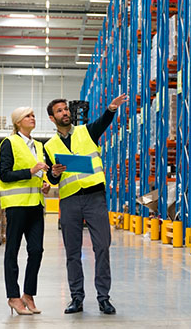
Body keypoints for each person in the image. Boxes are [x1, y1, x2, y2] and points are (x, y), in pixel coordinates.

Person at [44, 94, 127, 315]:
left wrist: (111, 109)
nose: (65, 113)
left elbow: (103, 122)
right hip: (70, 200)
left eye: (66, 109)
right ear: (52, 118)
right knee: (72, 251)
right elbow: (52, 179)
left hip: (94, 197)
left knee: (102, 247)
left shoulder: (85, 132)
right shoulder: (49, 146)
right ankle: (76, 298)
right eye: (59, 111)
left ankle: (103, 298)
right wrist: (53, 173)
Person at [0, 107, 50, 315]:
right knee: (12, 250)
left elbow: (39, 175)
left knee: (36, 250)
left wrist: (44, 184)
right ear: (18, 122)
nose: (32, 118)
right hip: (17, 204)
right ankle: (13, 297)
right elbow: (5, 175)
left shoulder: (38, 145)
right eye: (28, 116)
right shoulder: (9, 143)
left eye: (33, 116)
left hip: (36, 204)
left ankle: (28, 295)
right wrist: (31, 171)